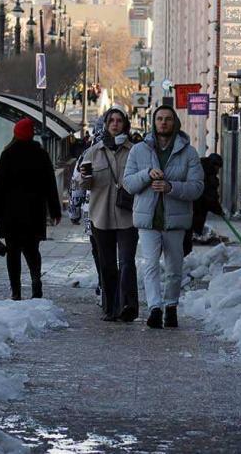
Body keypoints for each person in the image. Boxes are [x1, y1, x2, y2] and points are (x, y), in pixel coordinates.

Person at [123, 105, 204, 329]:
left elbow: (197, 187)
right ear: (154, 122)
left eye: (168, 119)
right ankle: (155, 308)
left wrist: (171, 187)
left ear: (175, 122)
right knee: (150, 265)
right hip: (147, 220)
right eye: (159, 119)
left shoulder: (189, 153)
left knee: (173, 268)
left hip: (175, 221)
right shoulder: (139, 150)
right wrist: (146, 175)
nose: (163, 123)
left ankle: (171, 307)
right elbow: (128, 184)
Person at [0, 118, 62, 300]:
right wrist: (55, 210)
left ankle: (16, 291)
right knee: (32, 251)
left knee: (13, 253)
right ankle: (36, 282)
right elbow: (50, 185)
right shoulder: (41, 154)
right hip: (34, 213)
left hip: (11, 214)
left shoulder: (8, 154)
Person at [80, 108, 139, 322]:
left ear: (125, 124)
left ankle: (129, 306)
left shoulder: (135, 151)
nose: (115, 124)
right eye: (111, 121)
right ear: (105, 124)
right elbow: (84, 183)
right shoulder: (94, 152)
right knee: (107, 265)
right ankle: (110, 307)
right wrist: (85, 178)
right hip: (101, 215)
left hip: (127, 216)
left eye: (119, 120)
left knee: (126, 262)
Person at [68, 118, 106, 307]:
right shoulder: (128, 150)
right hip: (118, 210)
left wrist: (74, 212)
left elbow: (76, 185)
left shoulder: (87, 154)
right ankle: (110, 284)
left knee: (98, 249)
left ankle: (103, 282)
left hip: (91, 210)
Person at [184, 153, 225, 256]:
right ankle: (185, 259)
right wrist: (218, 210)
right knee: (186, 238)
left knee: (185, 235)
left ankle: (184, 259)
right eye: (218, 167)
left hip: (188, 208)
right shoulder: (209, 176)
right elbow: (210, 197)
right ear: (214, 165)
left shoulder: (198, 169)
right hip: (196, 210)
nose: (218, 170)